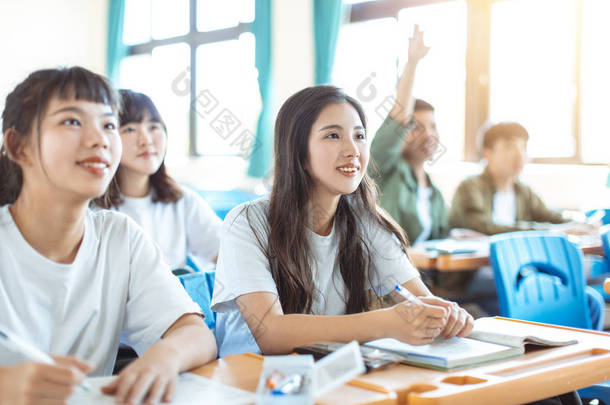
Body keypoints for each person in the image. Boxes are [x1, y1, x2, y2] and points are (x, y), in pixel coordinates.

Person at [0, 67, 217, 405]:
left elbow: (195, 334)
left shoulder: (120, 236)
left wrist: (164, 358)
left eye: (109, 124)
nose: (99, 139)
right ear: (19, 146)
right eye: (72, 121)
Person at [210, 85, 474, 357]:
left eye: (359, 136)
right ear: (298, 152)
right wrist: (387, 322)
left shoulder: (364, 221)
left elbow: (420, 300)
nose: (353, 150)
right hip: (252, 383)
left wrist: (445, 314)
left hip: (329, 373)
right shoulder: (247, 223)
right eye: (333, 136)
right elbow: (271, 333)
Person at [95, 89, 221, 272]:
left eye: (153, 127)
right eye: (129, 129)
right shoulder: (93, 209)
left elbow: (230, 254)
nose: (146, 140)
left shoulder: (182, 201)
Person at [371, 25, 448, 245]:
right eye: (417, 127)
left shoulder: (435, 194)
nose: (429, 135)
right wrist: (412, 63)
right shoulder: (384, 168)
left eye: (433, 126)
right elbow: (400, 116)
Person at [449, 122, 571, 234]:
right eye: (510, 147)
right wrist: (551, 230)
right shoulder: (469, 187)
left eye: (523, 147)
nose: (520, 155)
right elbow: (482, 228)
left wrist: (581, 225)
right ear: (487, 154)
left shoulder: (524, 191)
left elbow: (551, 217)